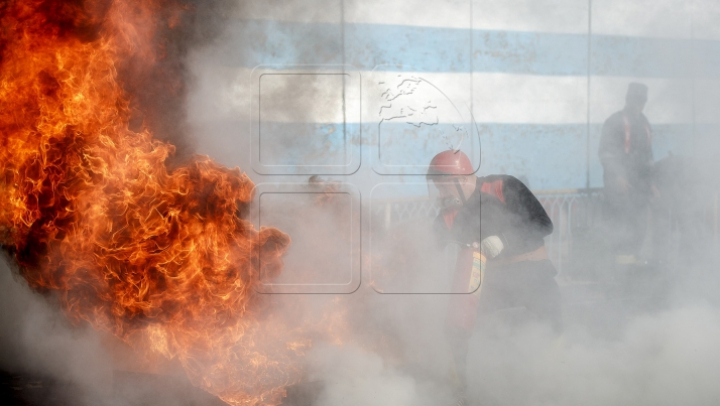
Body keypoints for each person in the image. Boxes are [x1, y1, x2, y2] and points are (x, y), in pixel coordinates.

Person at [427, 150, 562, 406]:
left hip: (532, 272)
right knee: (457, 330)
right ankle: (464, 391)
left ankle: (554, 385)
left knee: (554, 325)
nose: (441, 193)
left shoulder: (502, 186)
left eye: (444, 186)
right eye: (437, 187)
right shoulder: (450, 213)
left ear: (463, 179)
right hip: (493, 282)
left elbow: (544, 223)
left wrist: (505, 240)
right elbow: (427, 246)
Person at [598, 82, 654, 263]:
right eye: (635, 100)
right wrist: (617, 176)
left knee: (639, 229)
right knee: (620, 230)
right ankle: (617, 273)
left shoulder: (644, 123)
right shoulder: (614, 121)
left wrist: (652, 183)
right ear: (628, 100)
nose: (639, 104)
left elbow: (648, 155)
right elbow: (606, 153)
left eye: (642, 100)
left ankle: (633, 269)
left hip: (640, 189)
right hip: (619, 190)